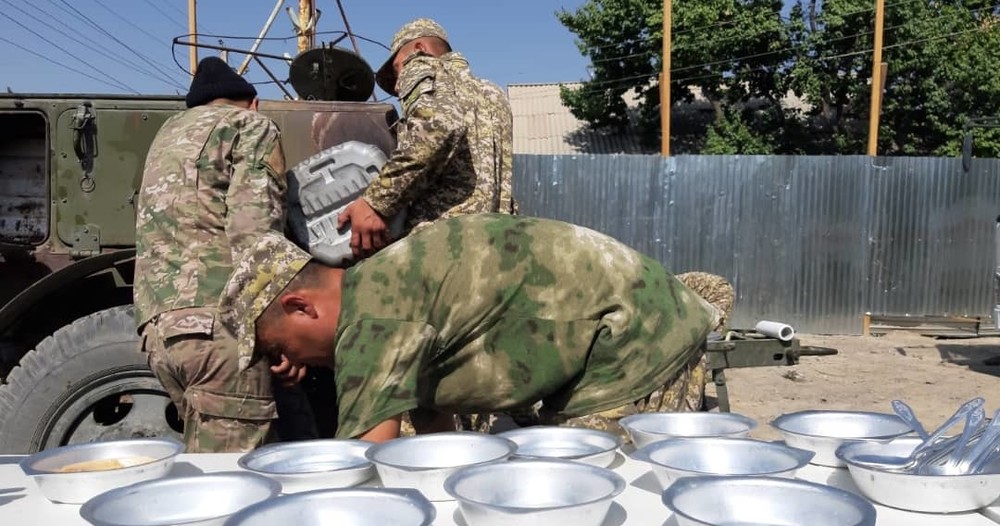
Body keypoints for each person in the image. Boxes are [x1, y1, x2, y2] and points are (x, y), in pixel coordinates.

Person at [220, 214, 721, 443]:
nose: (291, 364)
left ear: (300, 306)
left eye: (279, 347)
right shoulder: (381, 287)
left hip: (640, 335)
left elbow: (367, 471)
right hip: (630, 317)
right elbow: (433, 434)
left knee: (593, 497)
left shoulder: (372, 320)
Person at [133, 56, 306, 452]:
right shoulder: (250, 125)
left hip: (160, 334)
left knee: (212, 465)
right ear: (254, 103)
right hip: (221, 332)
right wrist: (282, 333)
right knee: (230, 479)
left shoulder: (168, 134)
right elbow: (253, 233)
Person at [337, 18, 515, 258]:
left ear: (419, 49)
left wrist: (375, 201)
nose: (397, 87)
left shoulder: (422, 66)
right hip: (491, 247)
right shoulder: (491, 92)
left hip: (440, 247)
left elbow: (438, 126)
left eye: (397, 69)